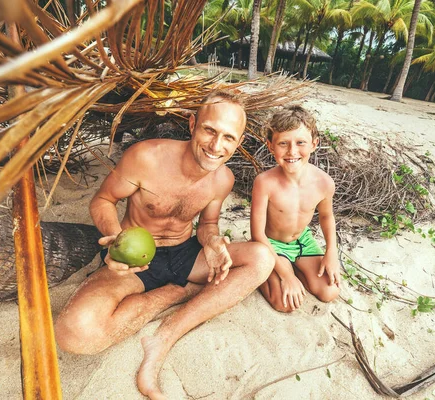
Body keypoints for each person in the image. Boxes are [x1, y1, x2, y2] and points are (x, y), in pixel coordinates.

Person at [55, 90, 275, 399]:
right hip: (134, 262)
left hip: (184, 254)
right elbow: (103, 200)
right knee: (75, 333)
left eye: (228, 137)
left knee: (263, 257)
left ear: (237, 143)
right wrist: (116, 238)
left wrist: (212, 242)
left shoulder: (222, 179)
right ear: (192, 123)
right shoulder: (146, 157)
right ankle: (180, 292)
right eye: (210, 130)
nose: (216, 146)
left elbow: (208, 225)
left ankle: (168, 332)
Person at [250, 105, 340, 313]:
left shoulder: (324, 182)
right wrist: (286, 275)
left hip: (303, 243)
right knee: (284, 304)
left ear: (314, 144)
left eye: (300, 143)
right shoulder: (264, 182)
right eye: (283, 143)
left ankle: (294, 268)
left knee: (330, 292)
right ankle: (276, 270)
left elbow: (326, 217)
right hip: (271, 244)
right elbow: (257, 234)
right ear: (271, 146)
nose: (292, 151)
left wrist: (331, 252)